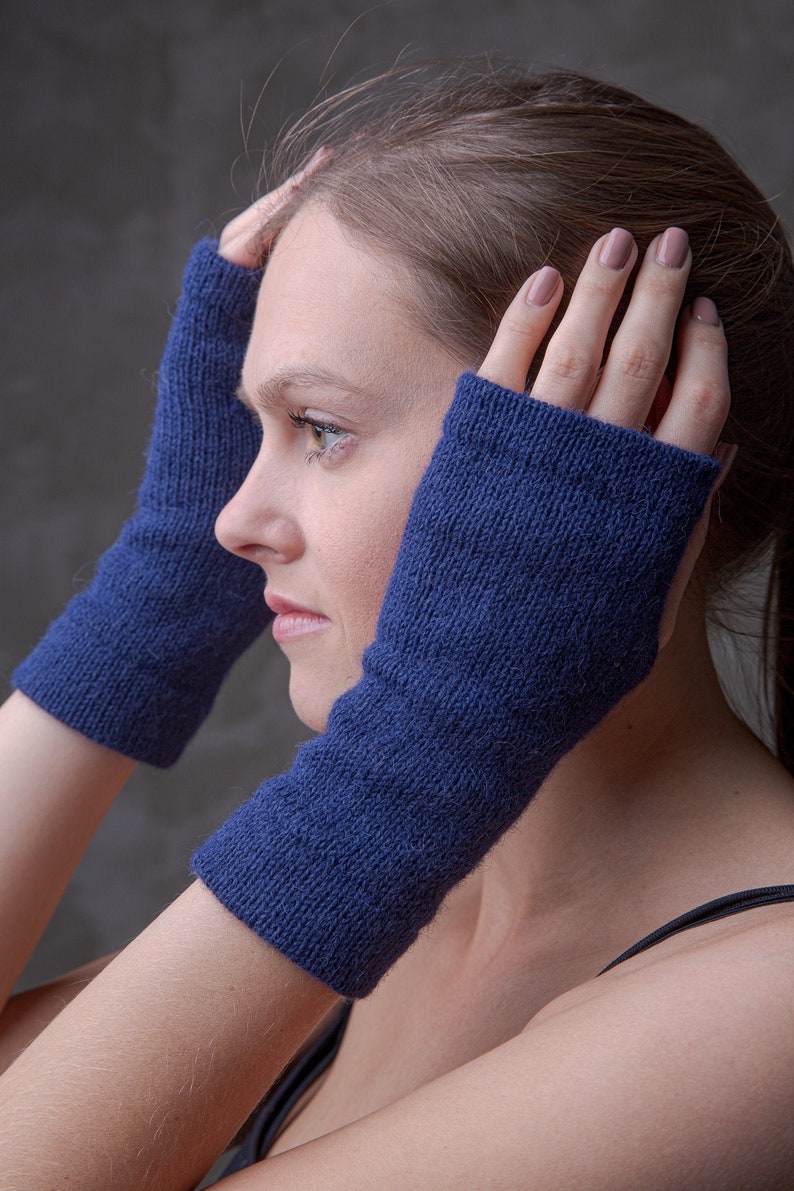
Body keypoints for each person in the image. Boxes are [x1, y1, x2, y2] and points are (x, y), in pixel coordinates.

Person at [1, 61, 793, 1189]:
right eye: (250, 429)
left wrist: (420, 750)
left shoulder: (759, 1015)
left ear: (609, 474)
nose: (227, 518)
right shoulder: (399, 905)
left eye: (319, 427)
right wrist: (150, 605)